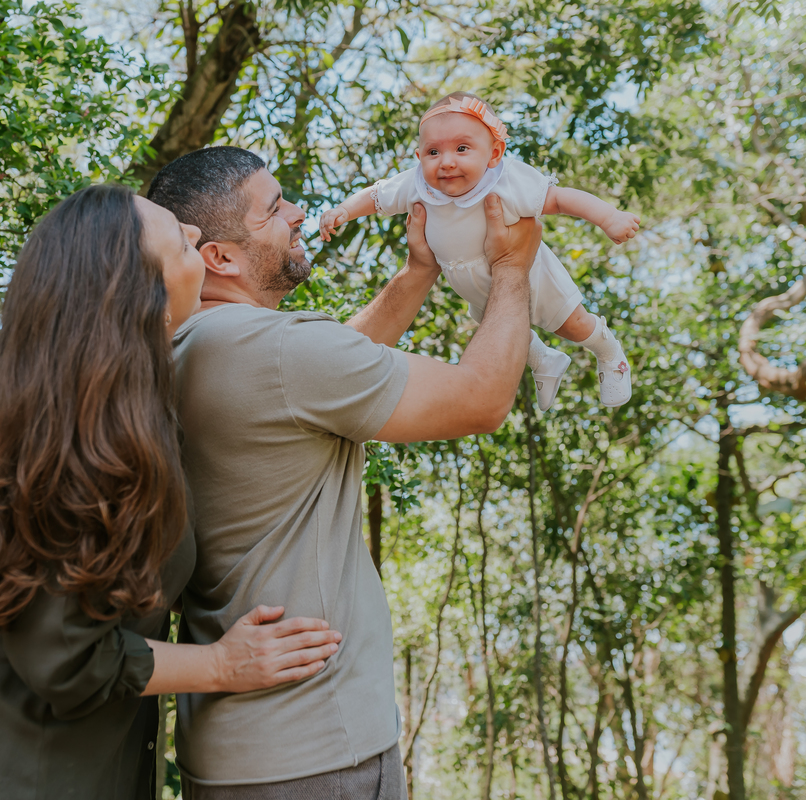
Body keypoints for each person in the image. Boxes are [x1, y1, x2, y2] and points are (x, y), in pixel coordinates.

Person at [0, 184, 343, 800]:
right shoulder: (70, 434)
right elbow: (62, 656)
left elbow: (311, 380)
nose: (197, 236)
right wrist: (225, 665)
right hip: (1, 774)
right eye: (179, 238)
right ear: (134, 294)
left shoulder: (96, 397)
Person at [146, 147, 542, 799]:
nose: (298, 213)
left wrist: (418, 273)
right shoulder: (274, 352)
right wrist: (511, 269)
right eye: (274, 209)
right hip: (319, 752)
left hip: (238, 750)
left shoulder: (194, 348)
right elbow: (482, 398)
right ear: (219, 256)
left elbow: (324, 376)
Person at [319, 90, 640, 410]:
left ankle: (609, 353)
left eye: (462, 148)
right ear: (419, 158)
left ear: (494, 153)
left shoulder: (506, 181)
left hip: (531, 275)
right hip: (473, 284)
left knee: (573, 325)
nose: (446, 162)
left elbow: (560, 198)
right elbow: (376, 196)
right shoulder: (417, 185)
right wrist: (344, 211)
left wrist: (609, 217)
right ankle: (545, 361)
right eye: (433, 151)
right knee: (500, 329)